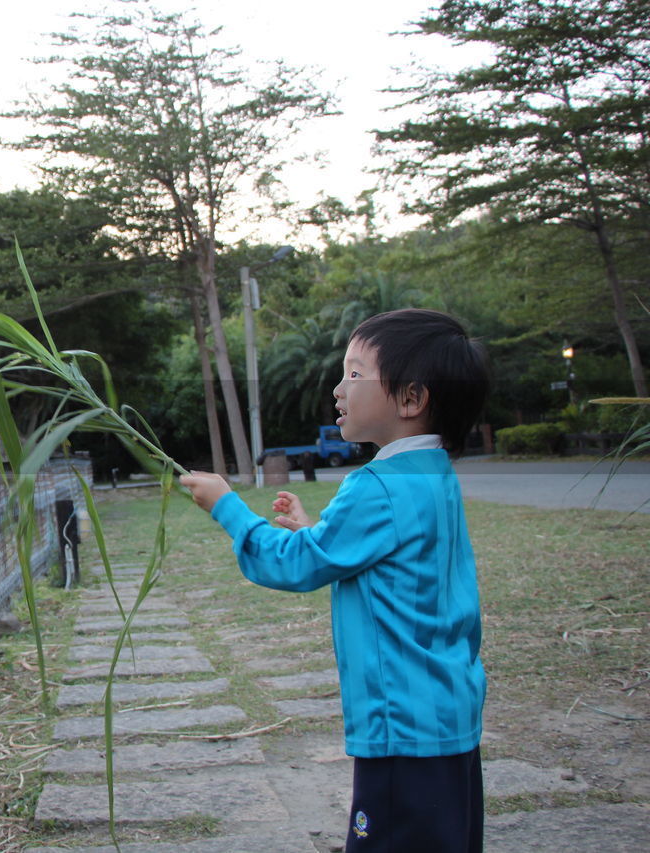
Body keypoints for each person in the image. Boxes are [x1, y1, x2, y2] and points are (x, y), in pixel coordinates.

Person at [181, 308, 490, 852]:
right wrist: (318, 531)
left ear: (411, 399)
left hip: (401, 726)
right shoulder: (432, 475)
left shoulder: (375, 485)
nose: (337, 386)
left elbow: (295, 564)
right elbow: (392, 556)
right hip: (446, 712)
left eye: (354, 373)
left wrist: (227, 508)